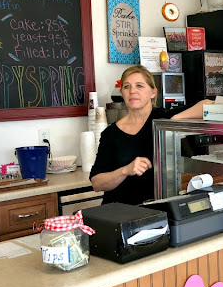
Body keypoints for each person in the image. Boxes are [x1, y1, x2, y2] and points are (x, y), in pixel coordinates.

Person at [90, 65, 211, 205]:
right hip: (119, 213)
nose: (132, 91)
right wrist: (125, 170)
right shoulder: (111, 134)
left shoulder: (162, 118)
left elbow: (208, 104)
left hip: (158, 210)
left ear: (153, 92)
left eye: (139, 86)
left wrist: (175, 119)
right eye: (126, 87)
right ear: (122, 93)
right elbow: (97, 183)